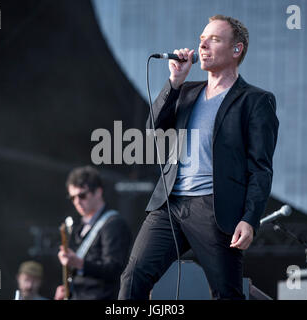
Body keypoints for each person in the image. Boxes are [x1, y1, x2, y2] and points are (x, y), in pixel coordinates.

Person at [118, 15, 279, 300]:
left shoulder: (254, 100)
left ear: (236, 50)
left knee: (227, 293)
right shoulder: (187, 91)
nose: (202, 44)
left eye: (214, 39)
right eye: (202, 38)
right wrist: (175, 81)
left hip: (214, 208)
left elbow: (261, 169)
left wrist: (250, 218)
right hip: (170, 204)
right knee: (134, 276)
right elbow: (152, 128)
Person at [55, 166, 131, 300]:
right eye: (72, 198)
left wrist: (79, 263)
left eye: (82, 195)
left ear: (98, 192)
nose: (77, 201)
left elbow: (114, 269)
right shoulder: (79, 226)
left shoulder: (113, 224)